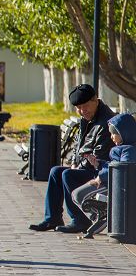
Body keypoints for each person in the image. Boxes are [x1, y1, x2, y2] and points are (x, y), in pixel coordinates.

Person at [29, 84, 115, 233]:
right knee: (55, 171)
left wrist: (78, 166)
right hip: (87, 166)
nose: (83, 111)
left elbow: (99, 158)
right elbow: (79, 146)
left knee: (67, 174)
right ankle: (52, 218)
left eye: (86, 106)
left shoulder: (105, 122)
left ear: (96, 100)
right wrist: (75, 162)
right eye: (79, 108)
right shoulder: (86, 119)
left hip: (102, 172)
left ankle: (80, 220)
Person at [72, 113, 136, 225]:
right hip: (110, 181)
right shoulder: (122, 147)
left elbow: (122, 169)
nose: (111, 137)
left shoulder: (129, 150)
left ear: (123, 133)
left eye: (114, 134)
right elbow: (114, 165)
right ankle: (100, 217)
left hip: (116, 186)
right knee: (76, 195)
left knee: (79, 195)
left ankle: (101, 217)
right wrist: (98, 164)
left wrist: (100, 177)